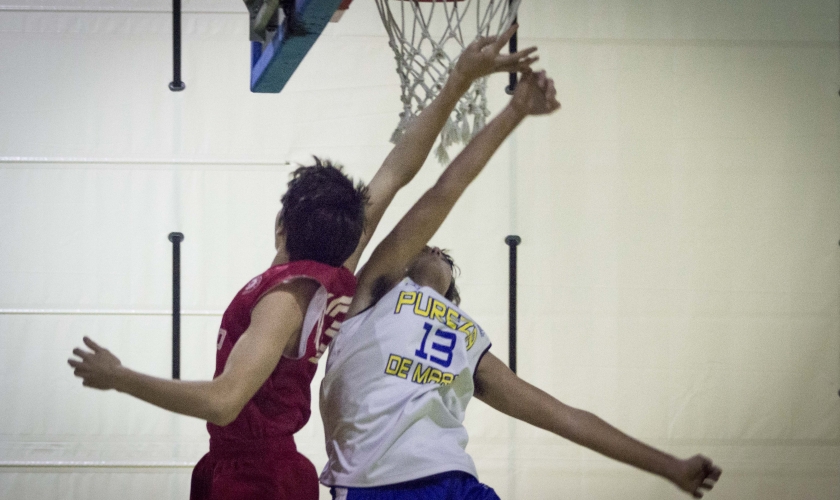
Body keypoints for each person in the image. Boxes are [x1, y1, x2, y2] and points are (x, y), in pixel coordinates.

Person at [67, 26, 537, 500]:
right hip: (266, 466)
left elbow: (225, 402)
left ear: (281, 224)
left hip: (255, 475)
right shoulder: (338, 269)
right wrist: (457, 82)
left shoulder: (285, 300)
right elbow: (396, 170)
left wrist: (121, 378)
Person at [319, 70, 723, 500]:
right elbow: (445, 190)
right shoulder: (376, 291)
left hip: (457, 481)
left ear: (453, 293)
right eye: (428, 247)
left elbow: (564, 417)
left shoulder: (467, 335)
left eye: (444, 255)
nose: (435, 249)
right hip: (374, 484)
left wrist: (670, 466)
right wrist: (513, 111)